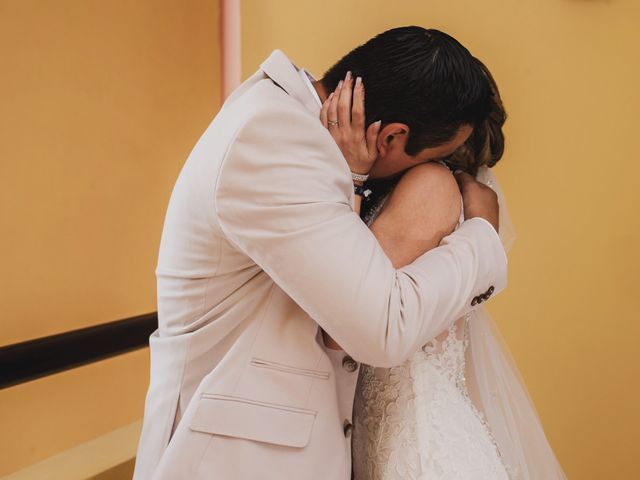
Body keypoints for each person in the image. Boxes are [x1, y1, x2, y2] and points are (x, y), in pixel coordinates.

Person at [133, 26, 508, 479]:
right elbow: (379, 329)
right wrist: (482, 235)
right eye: (432, 158)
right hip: (231, 460)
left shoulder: (296, 130)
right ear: (390, 138)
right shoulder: (270, 138)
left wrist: (353, 179)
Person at [318, 50, 567, 478]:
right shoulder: (402, 190)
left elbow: (344, 327)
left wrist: (354, 179)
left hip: (417, 448)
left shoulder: (428, 187)